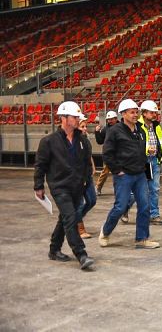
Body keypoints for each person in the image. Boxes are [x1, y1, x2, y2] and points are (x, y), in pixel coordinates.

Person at [33, 101, 95, 270]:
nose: (77, 120)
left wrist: (85, 179)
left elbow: (86, 163)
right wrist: (38, 186)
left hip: (77, 187)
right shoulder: (49, 141)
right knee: (70, 217)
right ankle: (81, 254)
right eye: (74, 117)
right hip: (59, 187)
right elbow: (40, 165)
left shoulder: (82, 140)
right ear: (63, 118)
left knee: (65, 218)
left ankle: (54, 249)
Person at [98, 99, 159, 249]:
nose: (135, 114)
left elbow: (141, 151)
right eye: (132, 112)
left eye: (136, 112)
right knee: (120, 206)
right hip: (124, 175)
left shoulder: (140, 129)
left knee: (144, 206)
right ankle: (105, 232)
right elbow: (107, 153)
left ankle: (141, 239)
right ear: (123, 114)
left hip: (140, 173)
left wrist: (146, 167)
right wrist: (117, 170)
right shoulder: (114, 131)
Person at [139, 100, 162, 225]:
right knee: (139, 190)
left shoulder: (157, 126)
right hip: (144, 162)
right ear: (144, 113)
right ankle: (124, 208)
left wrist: (161, 156)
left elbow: (160, 142)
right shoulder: (137, 126)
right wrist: (146, 150)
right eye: (152, 112)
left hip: (154, 160)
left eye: (155, 112)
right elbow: (137, 144)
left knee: (154, 188)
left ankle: (154, 214)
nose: (154, 114)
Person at [76, 116, 97, 239]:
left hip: (88, 174)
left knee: (92, 200)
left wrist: (93, 166)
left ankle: (76, 218)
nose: (85, 129)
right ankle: (80, 227)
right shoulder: (73, 141)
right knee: (79, 203)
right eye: (82, 126)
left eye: (85, 126)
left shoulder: (85, 139)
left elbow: (88, 155)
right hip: (79, 176)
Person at [94, 111, 118, 195]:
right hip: (109, 154)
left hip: (119, 153)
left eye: (111, 119)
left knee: (119, 172)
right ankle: (98, 187)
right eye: (108, 120)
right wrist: (97, 132)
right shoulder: (105, 129)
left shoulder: (121, 128)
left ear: (116, 119)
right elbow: (100, 141)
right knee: (105, 171)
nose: (109, 121)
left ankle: (118, 189)